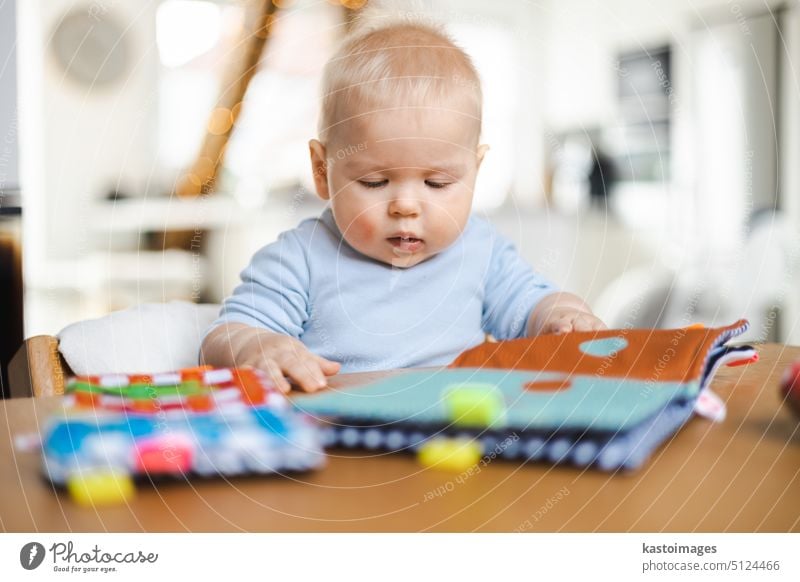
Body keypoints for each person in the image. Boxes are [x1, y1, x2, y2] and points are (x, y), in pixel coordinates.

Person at [201, 18, 606, 392]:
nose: (406, 206)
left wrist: (564, 314)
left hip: (454, 433)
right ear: (322, 171)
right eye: (375, 182)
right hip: (339, 441)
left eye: (437, 182)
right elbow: (223, 338)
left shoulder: (480, 251)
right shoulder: (299, 259)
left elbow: (531, 306)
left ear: (475, 171)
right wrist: (258, 347)